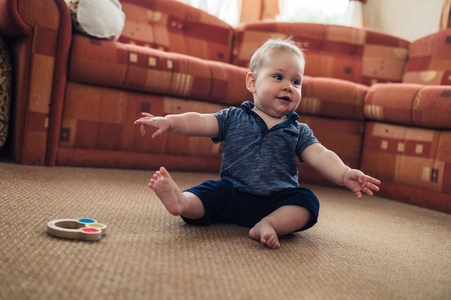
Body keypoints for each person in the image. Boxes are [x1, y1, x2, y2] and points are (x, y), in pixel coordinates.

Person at [134, 39, 381, 249]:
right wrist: (169, 121)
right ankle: (182, 203)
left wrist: (344, 173)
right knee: (208, 192)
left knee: (308, 202)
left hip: (276, 200)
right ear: (252, 82)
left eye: (296, 82)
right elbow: (199, 121)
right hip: (233, 192)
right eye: (278, 77)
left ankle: (269, 224)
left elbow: (320, 154)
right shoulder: (232, 117)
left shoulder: (298, 130)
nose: (288, 86)